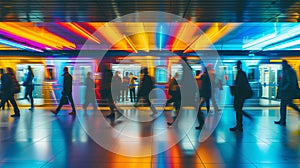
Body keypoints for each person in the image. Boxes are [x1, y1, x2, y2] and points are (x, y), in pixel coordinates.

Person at [275, 60, 300, 126]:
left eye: (282, 64)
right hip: (287, 92)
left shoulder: (289, 71)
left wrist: (283, 89)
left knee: (285, 105)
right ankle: (282, 120)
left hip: (287, 92)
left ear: (285, 64)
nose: (282, 65)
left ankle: (282, 120)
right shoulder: (287, 70)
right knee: (286, 105)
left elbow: (290, 82)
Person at [230, 60, 253, 131]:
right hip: (240, 95)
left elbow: (240, 85)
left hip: (240, 95)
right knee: (238, 109)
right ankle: (239, 125)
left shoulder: (241, 74)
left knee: (238, 109)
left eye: (237, 65)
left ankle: (239, 126)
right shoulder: (241, 73)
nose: (236, 66)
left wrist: (234, 87)